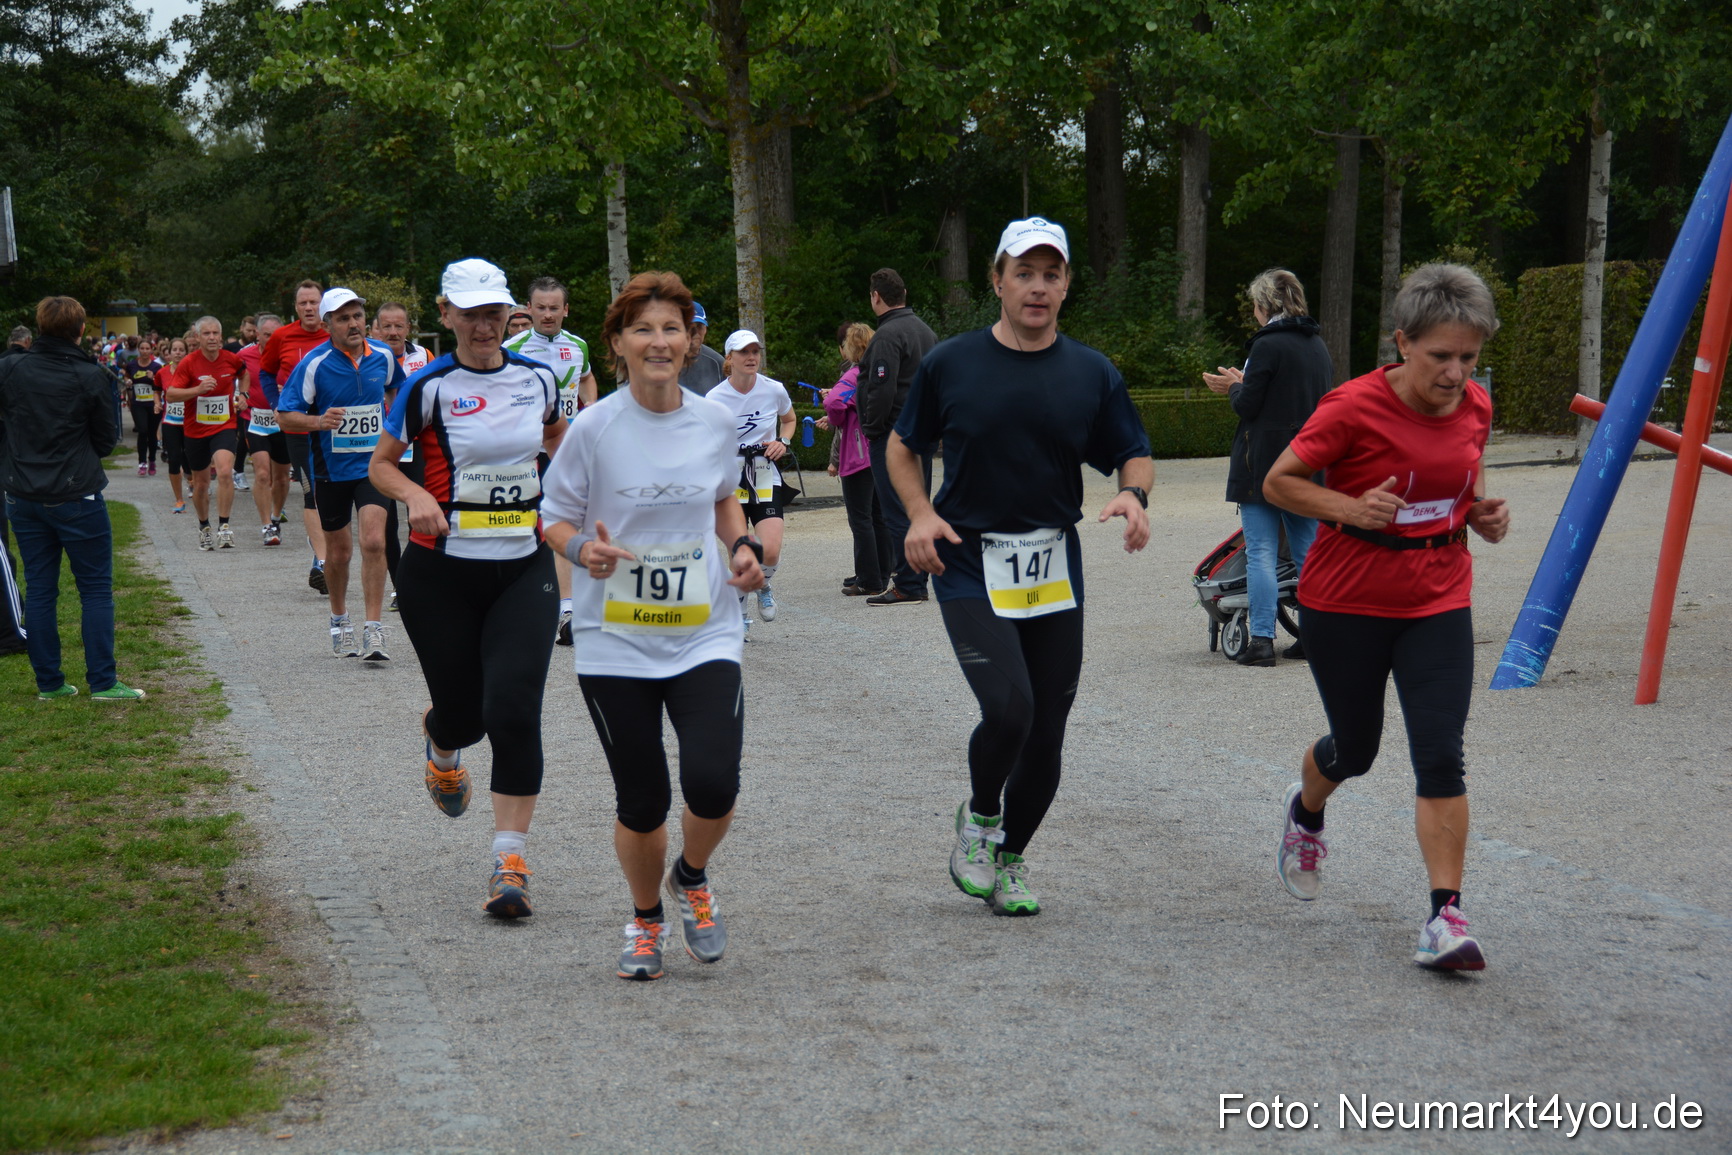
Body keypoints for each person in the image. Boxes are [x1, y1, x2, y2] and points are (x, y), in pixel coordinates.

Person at [890, 217, 1152, 917]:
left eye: (1052, 274)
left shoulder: (1090, 371)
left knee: (1048, 727)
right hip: (969, 555)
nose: (1038, 288)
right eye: (1025, 273)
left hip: (1050, 560)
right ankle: (979, 819)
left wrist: (1133, 492)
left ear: (1066, 285)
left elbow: (1133, 448)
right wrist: (919, 512)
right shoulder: (952, 362)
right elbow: (901, 444)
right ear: (998, 280)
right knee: (1010, 707)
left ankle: (1012, 857)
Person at [1263, 263, 1509, 972]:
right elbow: (1277, 481)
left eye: (1469, 358)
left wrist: (1480, 513)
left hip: (1438, 596)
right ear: (1404, 343)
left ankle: (1444, 916)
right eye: (1441, 357)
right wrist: (1347, 506)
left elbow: (1467, 471)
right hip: (1345, 601)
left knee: (1441, 752)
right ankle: (1307, 809)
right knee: (1359, 749)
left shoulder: (1476, 405)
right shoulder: (1352, 406)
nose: (1456, 373)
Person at [541, 270, 763, 981]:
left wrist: (745, 546)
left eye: (672, 329)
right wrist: (582, 550)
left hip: (705, 629)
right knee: (643, 800)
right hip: (616, 640)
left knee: (714, 783)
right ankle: (644, 918)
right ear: (617, 343)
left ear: (693, 341)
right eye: (643, 329)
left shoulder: (715, 421)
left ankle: (691, 875)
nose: (659, 341)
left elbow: (726, 500)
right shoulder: (594, 427)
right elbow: (552, 516)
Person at [369, 258, 566, 918]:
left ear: (508, 315)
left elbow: (557, 441)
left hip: (523, 568)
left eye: (493, 313)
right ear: (446, 314)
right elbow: (381, 467)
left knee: (512, 710)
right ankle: (441, 738)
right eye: (470, 313)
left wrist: (561, 497)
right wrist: (417, 493)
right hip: (441, 573)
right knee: (466, 716)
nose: (484, 326)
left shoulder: (538, 378)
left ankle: (509, 862)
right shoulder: (427, 386)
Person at [0, 296, 146, 701]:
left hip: (24, 494)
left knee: (42, 588)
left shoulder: (10, 368)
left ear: (40, 327)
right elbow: (104, 439)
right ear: (81, 330)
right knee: (96, 588)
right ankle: (102, 681)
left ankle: (50, 683)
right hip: (75, 494)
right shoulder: (91, 375)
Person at [1202, 268, 1333, 666]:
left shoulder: (1267, 345)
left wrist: (1235, 386)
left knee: (1260, 551)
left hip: (1264, 463)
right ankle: (1313, 637)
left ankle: (1261, 641)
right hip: (1307, 462)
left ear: (1264, 305)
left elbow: (1248, 406)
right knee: (1308, 552)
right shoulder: (1317, 346)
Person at [277, 290, 405, 661]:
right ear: (328, 324)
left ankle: (374, 629)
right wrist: (318, 421)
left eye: (357, 316)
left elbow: (395, 387)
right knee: (339, 552)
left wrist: (393, 426)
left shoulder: (382, 355)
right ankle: (339, 619)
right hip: (331, 470)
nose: (353, 324)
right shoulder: (314, 364)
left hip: (373, 468)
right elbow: (286, 414)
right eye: (344, 318)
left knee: (375, 541)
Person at [503, 276, 600, 647]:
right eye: (539, 307)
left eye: (553, 307)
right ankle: (529, 601)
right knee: (528, 528)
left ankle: (569, 609)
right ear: (528, 309)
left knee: (568, 523)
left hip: (569, 451)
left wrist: (589, 405)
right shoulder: (513, 346)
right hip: (527, 453)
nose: (547, 314)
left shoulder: (577, 346)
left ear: (565, 310)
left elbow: (588, 381)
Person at [705, 330, 794, 633]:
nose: (752, 357)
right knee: (738, 547)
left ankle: (763, 585)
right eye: (744, 352)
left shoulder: (774, 389)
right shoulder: (714, 398)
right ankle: (739, 613)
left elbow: (790, 419)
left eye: (755, 351)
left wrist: (783, 440)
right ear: (729, 358)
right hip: (730, 476)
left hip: (765, 472)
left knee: (770, 549)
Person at [859, 268, 938, 606]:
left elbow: (881, 389)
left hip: (895, 436)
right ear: (903, 294)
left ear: (876, 296)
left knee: (896, 510)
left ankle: (908, 583)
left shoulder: (887, 336)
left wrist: (872, 429)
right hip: (922, 432)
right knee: (917, 506)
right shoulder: (926, 332)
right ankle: (917, 579)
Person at [261, 281, 331, 592]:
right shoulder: (282, 336)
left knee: (333, 492)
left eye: (313, 302)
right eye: (302, 303)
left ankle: (334, 554)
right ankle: (322, 561)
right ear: (296, 308)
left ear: (323, 304)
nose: (308, 308)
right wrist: (276, 406)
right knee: (310, 491)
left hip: (332, 428)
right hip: (297, 426)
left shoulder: (335, 334)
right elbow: (265, 372)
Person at [822, 321, 891, 596]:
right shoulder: (877, 372)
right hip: (878, 451)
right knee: (878, 516)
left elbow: (834, 402)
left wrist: (837, 419)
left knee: (860, 518)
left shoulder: (853, 374)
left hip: (857, 455)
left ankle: (868, 579)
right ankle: (881, 574)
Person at [167, 316, 248, 550]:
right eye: (206, 334)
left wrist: (244, 396)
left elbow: (244, 375)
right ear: (197, 337)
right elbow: (171, 394)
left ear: (221, 336)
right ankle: (204, 527)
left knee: (224, 471)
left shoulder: (231, 360)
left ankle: (224, 527)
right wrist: (197, 390)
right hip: (195, 430)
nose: (212, 338)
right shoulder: (189, 363)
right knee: (201, 484)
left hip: (224, 425)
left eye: (215, 333)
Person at [240, 314, 291, 546]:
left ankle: (276, 515)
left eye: (276, 335)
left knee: (281, 477)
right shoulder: (244, 355)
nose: (272, 340)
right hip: (255, 419)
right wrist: (239, 396)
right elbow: (232, 379)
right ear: (257, 335)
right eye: (267, 335)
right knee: (262, 474)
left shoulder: (289, 356)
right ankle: (266, 526)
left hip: (284, 420)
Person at [156, 337, 189, 512]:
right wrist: (156, 402)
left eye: (181, 350)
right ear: (168, 353)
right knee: (174, 459)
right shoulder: (162, 373)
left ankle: (191, 480)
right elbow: (156, 389)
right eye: (174, 350)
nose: (177, 353)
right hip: (171, 422)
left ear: (186, 352)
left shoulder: (192, 372)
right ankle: (179, 500)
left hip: (190, 422)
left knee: (190, 459)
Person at [125, 340, 163, 476]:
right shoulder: (132, 365)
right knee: (142, 430)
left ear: (151, 350)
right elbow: (127, 376)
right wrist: (127, 381)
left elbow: (161, 385)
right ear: (139, 350)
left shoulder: (156, 367)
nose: (145, 351)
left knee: (152, 433)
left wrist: (153, 379)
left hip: (153, 404)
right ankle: (142, 462)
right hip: (138, 403)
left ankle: (152, 460)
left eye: (147, 348)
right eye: (142, 348)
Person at [677, 301, 725, 392]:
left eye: (699, 326)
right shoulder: (665, 361)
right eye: (689, 326)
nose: (694, 332)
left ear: (705, 329)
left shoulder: (717, 363)